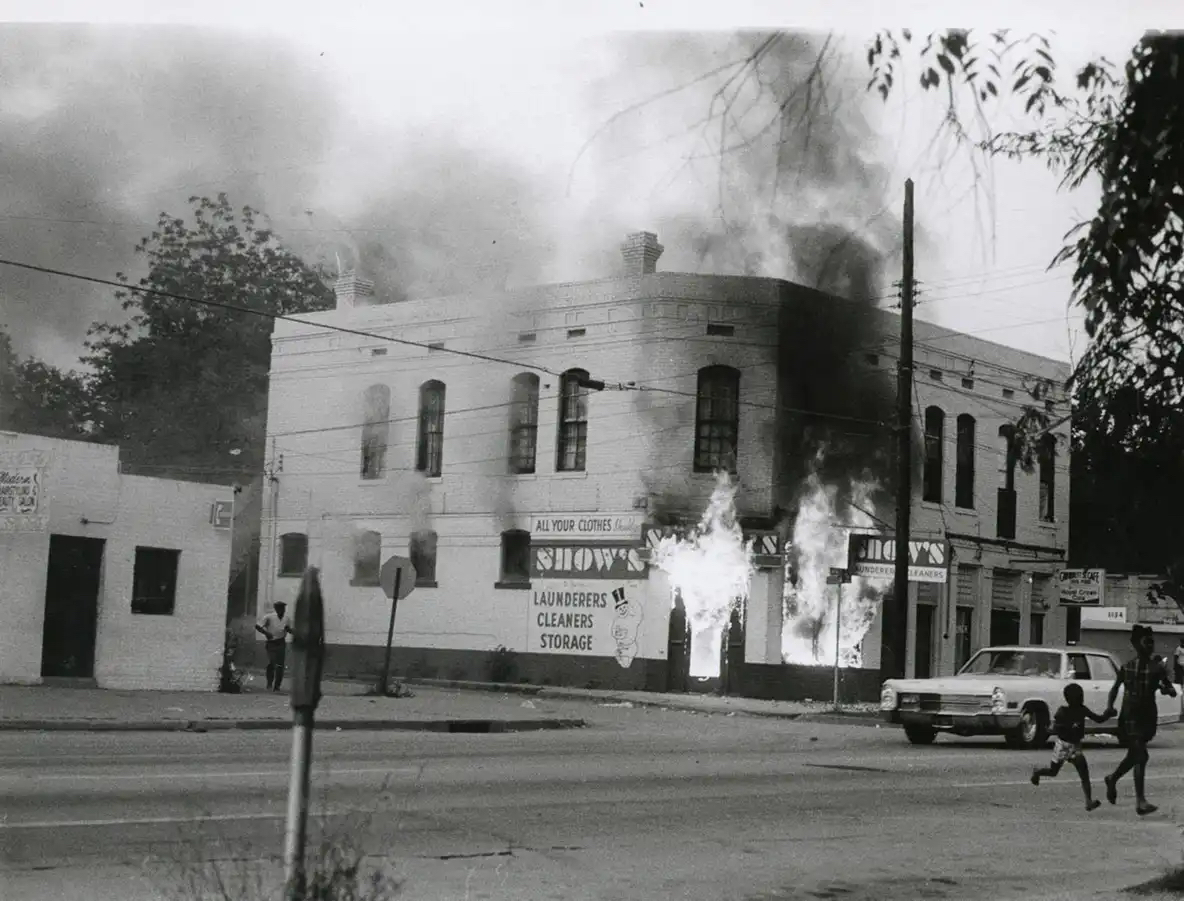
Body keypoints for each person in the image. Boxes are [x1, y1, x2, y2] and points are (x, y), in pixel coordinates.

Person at [1102, 624, 1177, 815]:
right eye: (1146, 642)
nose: (1150, 646)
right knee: (1140, 755)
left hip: (1147, 715)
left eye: (1152, 642)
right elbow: (1114, 688)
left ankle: (1112, 778)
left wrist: (1166, 689)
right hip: (1131, 715)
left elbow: (1170, 690)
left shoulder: (1156, 668)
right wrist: (1110, 707)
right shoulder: (1127, 668)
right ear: (1137, 644)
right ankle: (1140, 801)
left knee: (1136, 755)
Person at [1030, 682, 1110, 811]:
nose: (1081, 699)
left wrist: (1108, 714)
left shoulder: (1081, 709)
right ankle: (1038, 772)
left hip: (1072, 746)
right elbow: (1056, 728)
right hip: (1063, 745)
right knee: (1053, 771)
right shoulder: (1063, 712)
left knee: (1083, 772)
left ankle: (1088, 801)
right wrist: (1055, 729)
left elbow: (1098, 719)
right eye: (1079, 696)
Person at [255, 601, 292, 692]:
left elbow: (287, 628)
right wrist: (266, 633)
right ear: (275, 609)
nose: (281, 610)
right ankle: (269, 683)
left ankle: (277, 686)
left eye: (283, 608)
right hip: (271, 643)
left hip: (281, 642)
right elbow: (258, 626)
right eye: (279, 608)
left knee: (280, 665)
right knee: (272, 662)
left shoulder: (287, 618)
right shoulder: (269, 617)